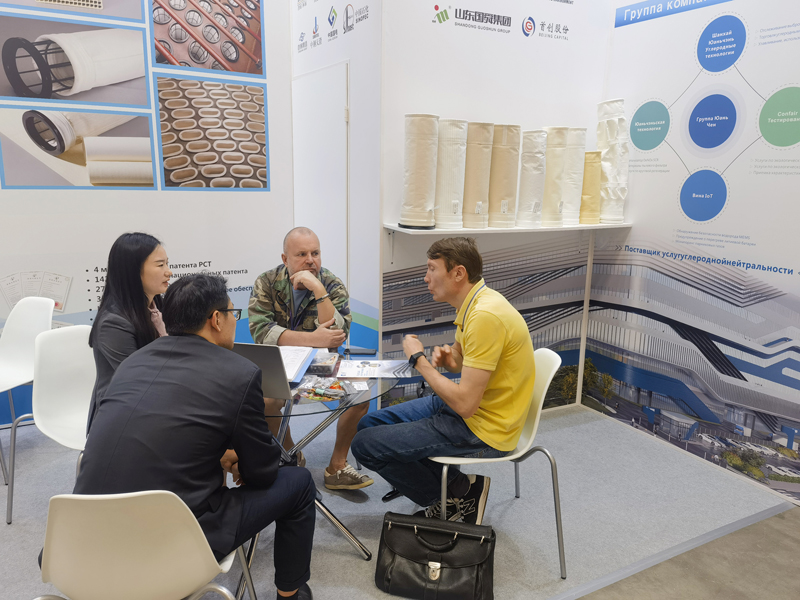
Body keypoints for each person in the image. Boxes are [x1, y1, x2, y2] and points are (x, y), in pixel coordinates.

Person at [75, 274, 316, 600]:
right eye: (232, 313)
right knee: (299, 482)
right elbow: (262, 473)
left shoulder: (132, 363)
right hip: (171, 543)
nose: (234, 321)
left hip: (82, 541)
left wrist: (220, 453)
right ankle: (291, 595)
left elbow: (164, 431)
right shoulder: (239, 373)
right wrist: (241, 460)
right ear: (216, 319)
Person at [352, 237, 536, 525]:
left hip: (485, 428)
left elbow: (465, 405)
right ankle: (459, 486)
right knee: (368, 425)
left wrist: (419, 360)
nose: (426, 278)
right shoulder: (476, 302)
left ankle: (448, 500)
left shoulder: (484, 316)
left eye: (431, 269)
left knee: (364, 446)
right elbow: (465, 358)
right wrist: (453, 359)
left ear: (458, 273)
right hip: (477, 411)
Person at [249, 227, 372, 490]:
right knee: (266, 400)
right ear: (285, 259)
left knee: (362, 392)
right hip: (279, 364)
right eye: (302, 254)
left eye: (315, 253)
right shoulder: (266, 282)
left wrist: (318, 288)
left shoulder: (331, 283)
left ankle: (337, 466)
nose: (310, 260)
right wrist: (313, 339)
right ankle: (290, 454)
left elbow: (337, 334)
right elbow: (262, 332)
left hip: (321, 364)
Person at [86, 232, 171, 432]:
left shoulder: (156, 307)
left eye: (167, 264)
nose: (168, 272)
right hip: (123, 415)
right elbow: (142, 381)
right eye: (160, 265)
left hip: (155, 402)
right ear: (133, 271)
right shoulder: (112, 323)